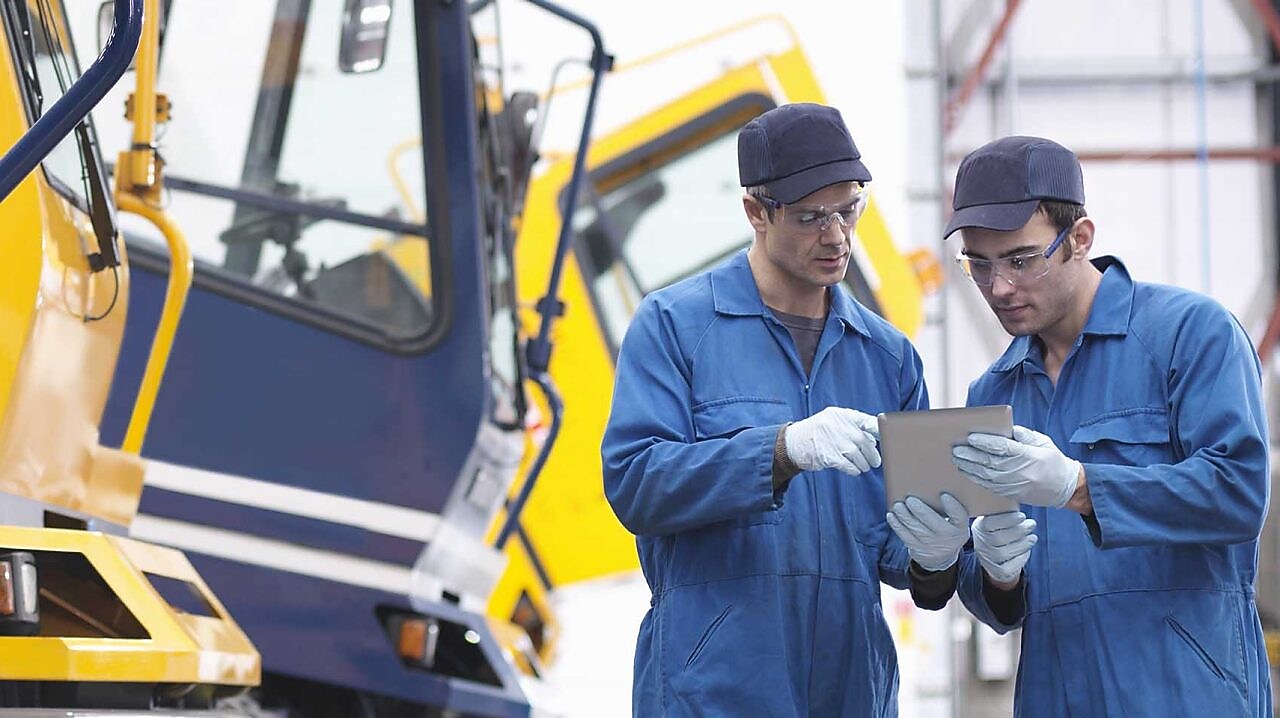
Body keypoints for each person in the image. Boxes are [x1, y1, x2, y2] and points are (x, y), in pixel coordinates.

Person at [602, 102, 955, 716]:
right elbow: (635, 484)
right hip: (713, 689)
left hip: (851, 690)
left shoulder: (889, 357)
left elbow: (895, 547)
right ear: (756, 212)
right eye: (812, 217)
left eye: (850, 210)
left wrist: (938, 555)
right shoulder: (675, 327)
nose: (837, 236)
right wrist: (779, 451)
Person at [944, 135, 1271, 716]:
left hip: (1184, 695)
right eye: (979, 264)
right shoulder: (993, 394)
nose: (999, 287)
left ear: (1080, 240)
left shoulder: (1189, 336)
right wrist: (987, 571)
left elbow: (1238, 493)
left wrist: (1078, 486)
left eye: (1021, 260)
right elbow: (1001, 610)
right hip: (1054, 694)